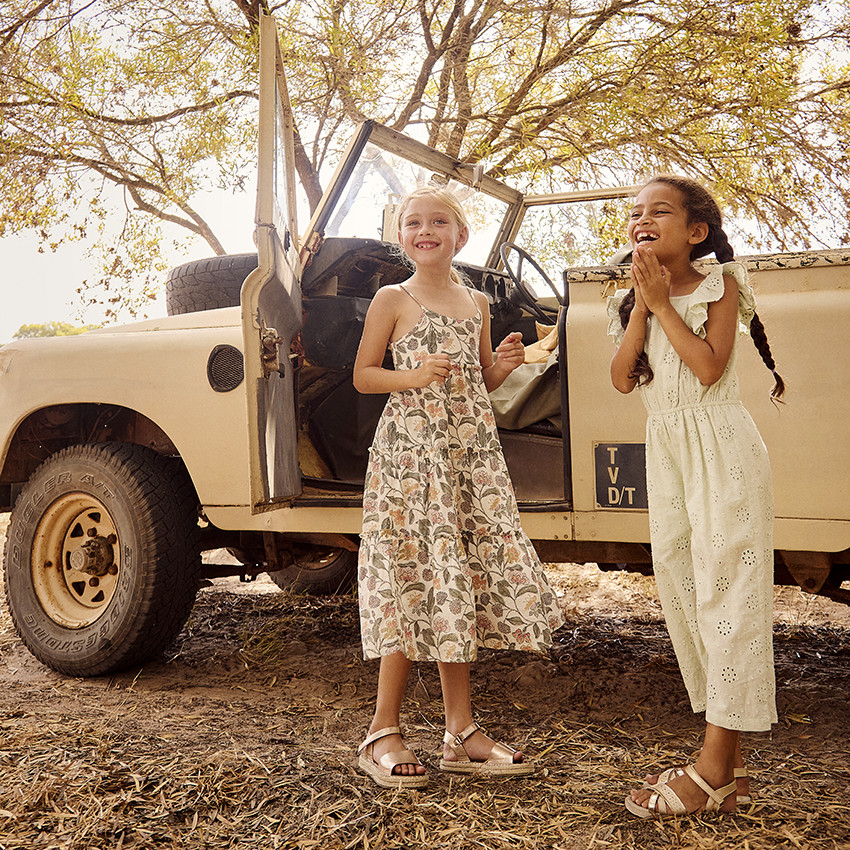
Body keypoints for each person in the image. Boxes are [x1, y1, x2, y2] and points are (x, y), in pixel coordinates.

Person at [352, 185, 563, 789]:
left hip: (469, 457)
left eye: (438, 221)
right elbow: (365, 375)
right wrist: (413, 375)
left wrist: (505, 361)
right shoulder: (394, 298)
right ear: (401, 238)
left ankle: (459, 731)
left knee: (459, 580)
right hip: (412, 459)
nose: (426, 230)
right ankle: (382, 731)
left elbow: (482, 382)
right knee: (413, 575)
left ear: (460, 235)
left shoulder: (475, 302)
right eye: (413, 223)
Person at [607, 175, 783, 818]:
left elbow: (709, 369)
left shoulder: (721, 285)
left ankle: (711, 768)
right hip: (670, 454)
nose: (643, 219)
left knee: (728, 595)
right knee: (685, 589)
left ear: (696, 232)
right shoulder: (630, 299)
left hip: (724, 450)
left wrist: (661, 305)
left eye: (660, 211)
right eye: (635, 213)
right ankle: (727, 769)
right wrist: (642, 304)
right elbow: (624, 380)